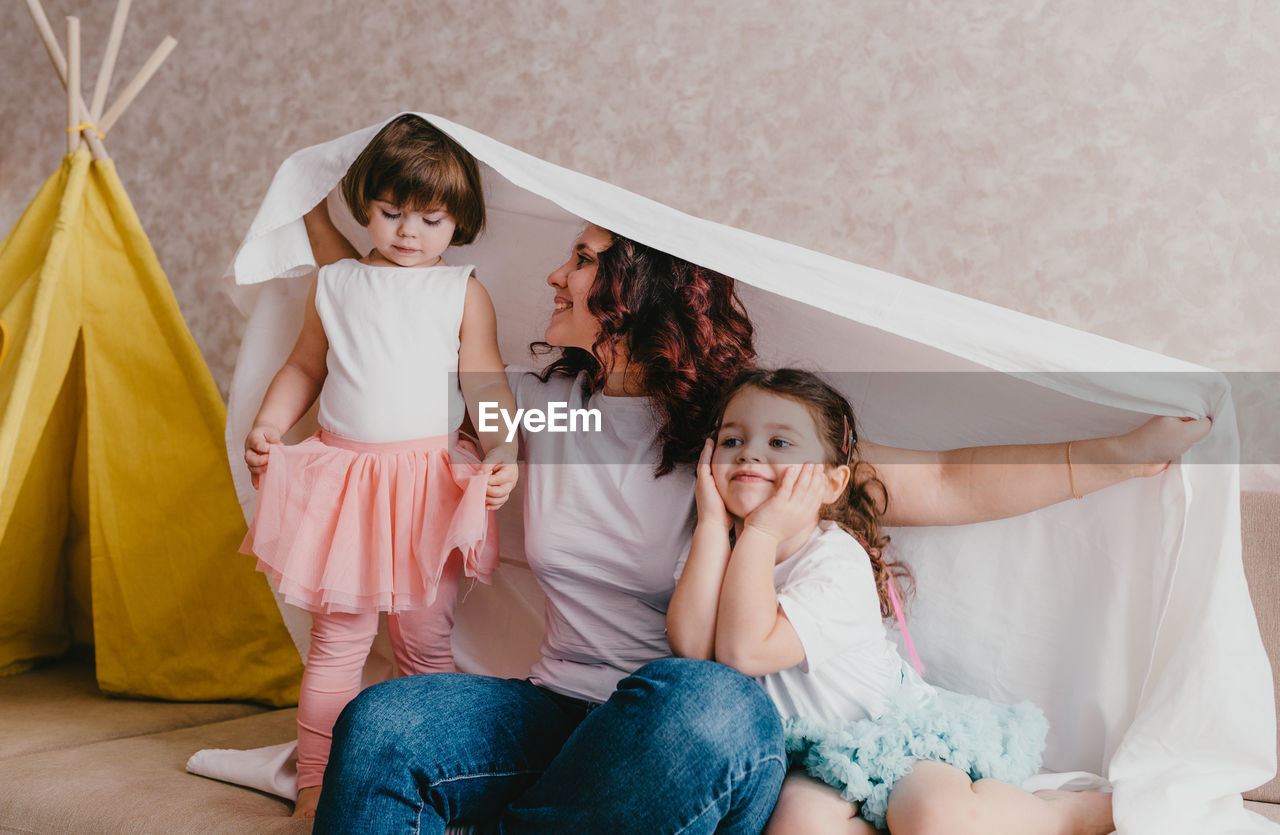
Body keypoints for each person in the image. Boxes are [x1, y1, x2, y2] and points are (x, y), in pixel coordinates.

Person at [301, 207, 1209, 831]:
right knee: (385, 723)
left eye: (581, 259)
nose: (552, 273)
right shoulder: (557, 409)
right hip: (561, 709)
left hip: (692, 736)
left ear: (638, 286)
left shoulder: (736, 437)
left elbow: (944, 481)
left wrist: (1120, 453)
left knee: (703, 697)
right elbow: (410, 414)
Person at [668, 368, 1118, 835]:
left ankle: (1060, 814)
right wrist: (708, 525)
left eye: (779, 443)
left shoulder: (836, 560)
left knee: (935, 818)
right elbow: (694, 650)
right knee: (796, 828)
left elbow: (745, 652)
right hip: (811, 755)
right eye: (731, 441)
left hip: (894, 735)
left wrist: (761, 531)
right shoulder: (714, 545)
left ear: (831, 483)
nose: (750, 453)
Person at [240, 114, 519, 818]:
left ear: (460, 220)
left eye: (430, 219)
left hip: (428, 486)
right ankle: (313, 786)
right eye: (391, 213)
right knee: (338, 643)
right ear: (365, 203)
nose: (407, 232)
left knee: (424, 643)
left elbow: (484, 380)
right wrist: (269, 425)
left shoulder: (461, 289)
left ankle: (441, 783)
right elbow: (305, 365)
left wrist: (504, 449)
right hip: (348, 484)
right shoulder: (334, 283)